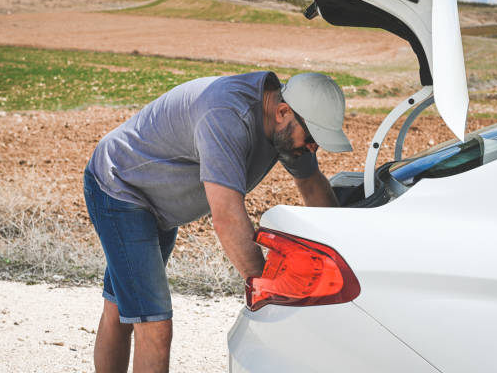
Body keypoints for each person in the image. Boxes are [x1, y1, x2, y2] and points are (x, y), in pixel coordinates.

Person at [83, 71, 352, 372]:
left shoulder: (287, 127)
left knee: (122, 307)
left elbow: (314, 188)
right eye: (313, 138)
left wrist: (346, 255)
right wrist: (267, 293)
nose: (314, 148)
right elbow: (226, 218)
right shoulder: (227, 115)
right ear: (282, 112)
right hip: (120, 186)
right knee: (154, 326)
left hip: (157, 201)